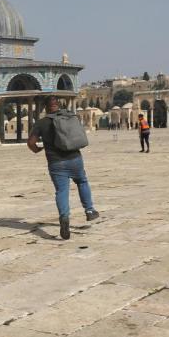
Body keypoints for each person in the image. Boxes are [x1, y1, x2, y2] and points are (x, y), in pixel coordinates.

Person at [27, 96, 99, 240]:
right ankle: (90, 210)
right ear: (58, 105)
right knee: (82, 182)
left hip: (56, 163)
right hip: (75, 159)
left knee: (62, 191)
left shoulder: (41, 123)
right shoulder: (70, 117)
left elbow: (31, 142)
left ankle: (64, 218)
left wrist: (37, 149)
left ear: (46, 107)